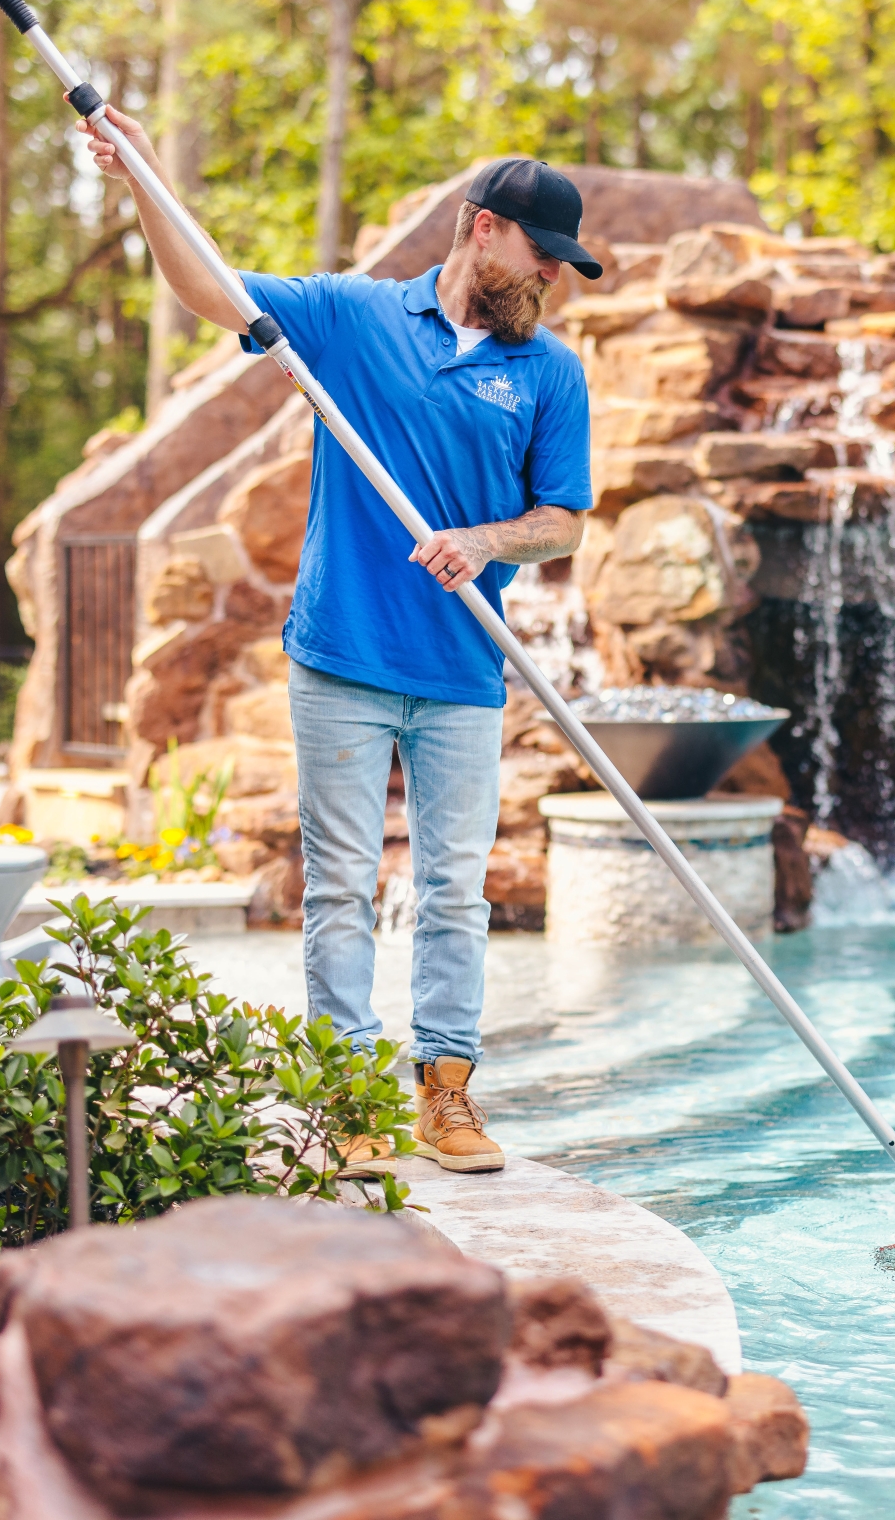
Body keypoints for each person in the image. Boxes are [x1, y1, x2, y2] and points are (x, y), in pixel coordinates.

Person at [78, 111, 596, 1174]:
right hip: (343, 655)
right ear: (482, 230)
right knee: (341, 885)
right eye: (541, 255)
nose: (550, 278)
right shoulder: (354, 318)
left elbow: (564, 521)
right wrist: (141, 182)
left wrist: (483, 539)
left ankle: (445, 1092)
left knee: (455, 886)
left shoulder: (548, 373)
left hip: (462, 667)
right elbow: (212, 288)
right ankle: (345, 1093)